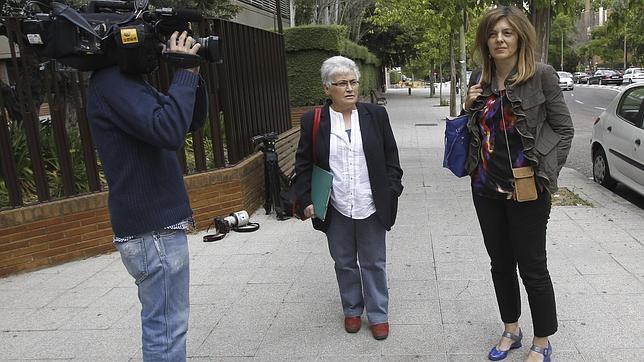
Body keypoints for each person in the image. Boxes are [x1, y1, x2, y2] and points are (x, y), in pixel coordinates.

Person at [86, 30, 208, 361]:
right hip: (151, 231)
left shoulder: (127, 83)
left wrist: (191, 74)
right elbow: (168, 131)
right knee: (166, 330)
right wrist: (183, 73)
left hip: (154, 228)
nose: (156, 47)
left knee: (167, 326)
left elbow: (185, 121)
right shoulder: (113, 83)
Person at [463, 6, 573, 362]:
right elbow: (475, 134)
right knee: (500, 264)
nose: (499, 39)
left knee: (533, 267)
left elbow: (563, 129)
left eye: (507, 33)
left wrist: (545, 172)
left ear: (520, 37)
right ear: (485, 40)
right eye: (493, 33)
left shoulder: (541, 76)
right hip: (486, 188)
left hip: (528, 189)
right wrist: (468, 109)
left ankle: (542, 341)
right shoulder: (478, 80)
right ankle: (511, 328)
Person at [293, 56, 403, 340]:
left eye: (353, 82)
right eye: (342, 83)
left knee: (374, 262)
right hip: (335, 204)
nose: (350, 88)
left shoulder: (375, 116)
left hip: (371, 202)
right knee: (343, 262)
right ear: (327, 88)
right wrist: (307, 200)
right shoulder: (314, 120)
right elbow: (304, 164)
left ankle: (378, 314)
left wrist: (392, 192)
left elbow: (392, 159)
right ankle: (352, 309)